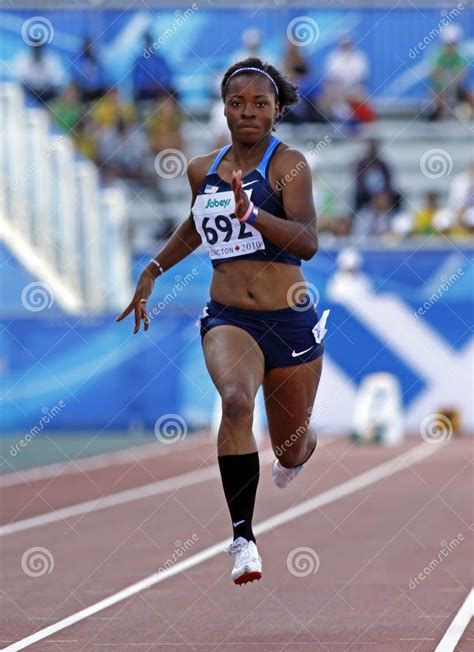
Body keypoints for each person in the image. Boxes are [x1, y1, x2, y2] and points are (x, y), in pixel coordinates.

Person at [117, 58, 328, 586]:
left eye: (260, 103)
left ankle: (302, 449)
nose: (248, 112)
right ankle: (242, 538)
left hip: (290, 323)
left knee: (289, 447)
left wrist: (253, 214)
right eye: (237, 103)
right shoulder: (202, 169)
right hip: (229, 317)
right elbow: (195, 225)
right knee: (235, 401)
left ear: (277, 110)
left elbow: (307, 240)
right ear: (224, 109)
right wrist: (154, 267)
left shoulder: (290, 165)